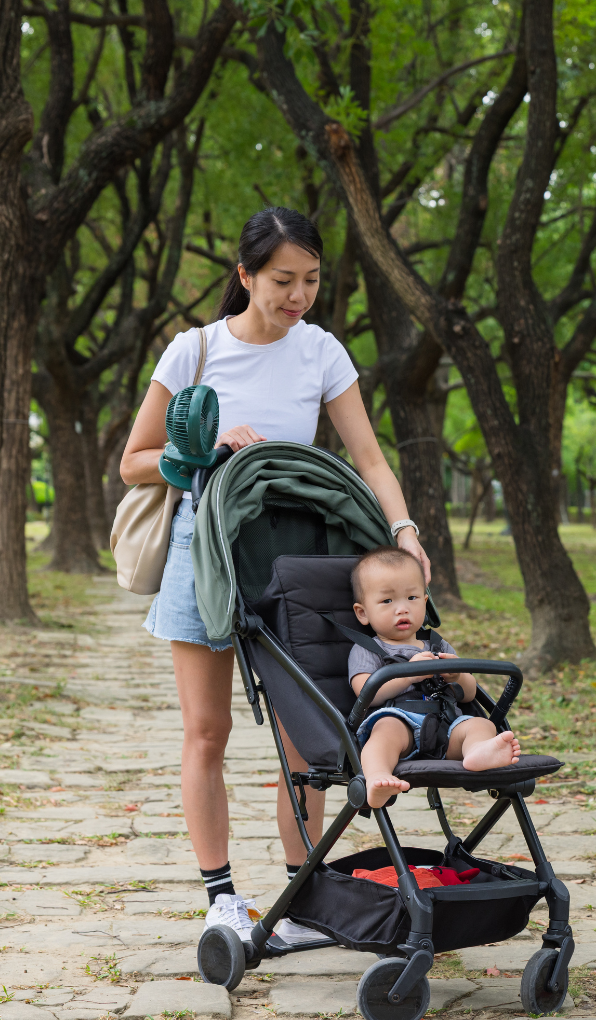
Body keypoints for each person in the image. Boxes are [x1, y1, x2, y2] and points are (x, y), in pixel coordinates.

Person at [120, 207, 430, 945]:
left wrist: (405, 532)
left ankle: (304, 893)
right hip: (205, 551)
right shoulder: (193, 353)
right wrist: (203, 448)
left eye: (312, 280)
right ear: (245, 276)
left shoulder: (321, 351)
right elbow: (134, 461)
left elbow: (371, 459)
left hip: (294, 553)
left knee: (308, 732)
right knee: (207, 731)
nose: (298, 296)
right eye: (283, 281)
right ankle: (222, 897)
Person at [348, 547, 521, 808]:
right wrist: (409, 675)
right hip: (399, 721)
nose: (402, 609)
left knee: (480, 725)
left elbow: (470, 693)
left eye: (412, 597)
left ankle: (476, 753)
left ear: (425, 602)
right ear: (362, 613)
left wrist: (457, 676)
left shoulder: (438, 645)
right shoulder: (368, 648)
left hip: (446, 724)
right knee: (383, 733)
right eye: (387, 601)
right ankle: (376, 777)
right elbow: (364, 693)